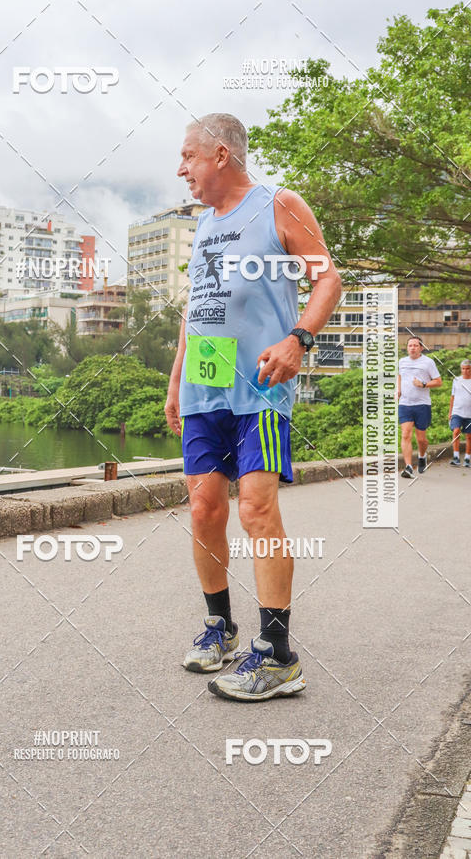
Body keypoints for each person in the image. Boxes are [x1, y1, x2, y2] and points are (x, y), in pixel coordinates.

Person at [165, 113, 342, 702]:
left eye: (187, 157)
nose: (181, 169)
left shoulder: (278, 204)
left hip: (260, 385)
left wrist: (300, 339)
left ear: (220, 155)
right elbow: (198, 310)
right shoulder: (206, 226)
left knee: (257, 509)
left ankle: (276, 653)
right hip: (203, 386)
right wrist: (175, 381)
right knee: (204, 506)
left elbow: (327, 280)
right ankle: (220, 626)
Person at [397, 336, 442, 478]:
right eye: (410, 345)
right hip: (405, 403)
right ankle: (409, 467)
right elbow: (400, 376)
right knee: (405, 434)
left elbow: (438, 382)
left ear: (421, 348)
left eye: (415, 345)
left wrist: (423, 385)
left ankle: (422, 456)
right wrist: (398, 390)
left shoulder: (428, 363)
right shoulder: (402, 361)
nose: (412, 348)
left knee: (421, 439)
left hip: (422, 404)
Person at [449, 359, 471, 467]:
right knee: (456, 431)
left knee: (469, 436)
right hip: (457, 412)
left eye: (467, 369)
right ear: (461, 369)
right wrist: (450, 413)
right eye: (463, 369)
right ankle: (456, 457)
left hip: (469, 414)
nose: (465, 371)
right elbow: (452, 398)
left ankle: (467, 459)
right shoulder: (456, 380)